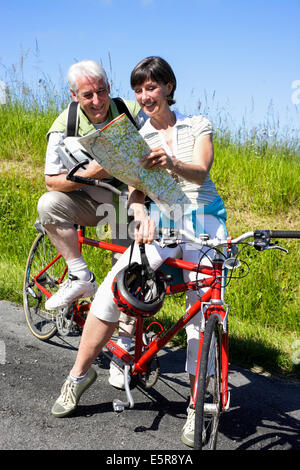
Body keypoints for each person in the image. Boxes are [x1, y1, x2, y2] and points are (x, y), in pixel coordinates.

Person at [50, 56, 227, 448]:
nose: (145, 96)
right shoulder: (139, 134)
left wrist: (173, 163)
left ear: (168, 86)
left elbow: (200, 171)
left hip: (205, 222)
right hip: (163, 220)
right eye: (138, 90)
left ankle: (198, 407)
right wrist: (139, 213)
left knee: (205, 309)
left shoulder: (196, 125)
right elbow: (135, 187)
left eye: (151, 87)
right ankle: (78, 377)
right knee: (112, 290)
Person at [37, 60, 146, 388]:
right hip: (91, 196)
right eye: (88, 95)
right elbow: (51, 181)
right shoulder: (64, 125)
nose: (97, 101)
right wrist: (91, 174)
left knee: (130, 271)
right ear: (74, 95)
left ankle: (122, 350)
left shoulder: (129, 111)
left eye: (102, 91)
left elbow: (151, 151)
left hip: (129, 196)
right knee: (49, 205)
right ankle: (79, 274)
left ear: (110, 88)